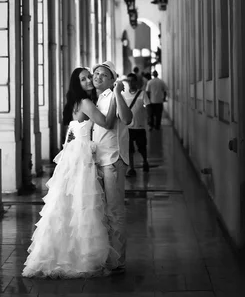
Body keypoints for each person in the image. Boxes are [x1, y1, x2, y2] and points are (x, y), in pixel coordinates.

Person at [22, 67, 120, 278]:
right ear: (77, 83)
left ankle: (65, 251)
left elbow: (72, 133)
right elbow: (108, 123)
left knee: (68, 204)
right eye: (83, 79)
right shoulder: (86, 102)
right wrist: (114, 100)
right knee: (83, 205)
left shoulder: (73, 103)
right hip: (83, 154)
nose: (88, 81)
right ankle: (83, 255)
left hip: (72, 153)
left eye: (88, 77)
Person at [92, 61, 133, 274]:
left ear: (112, 80)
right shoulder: (98, 99)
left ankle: (118, 260)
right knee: (103, 211)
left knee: (115, 211)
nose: (97, 76)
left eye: (103, 74)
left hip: (113, 161)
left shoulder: (115, 95)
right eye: (96, 73)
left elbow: (127, 118)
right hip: (100, 160)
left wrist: (117, 92)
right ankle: (108, 256)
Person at [124, 73, 150, 177]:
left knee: (142, 147)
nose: (130, 83)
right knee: (129, 149)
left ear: (135, 82)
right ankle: (131, 168)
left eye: (132, 81)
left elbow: (148, 105)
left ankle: (145, 161)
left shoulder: (142, 94)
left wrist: (149, 117)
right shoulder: (124, 94)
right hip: (128, 128)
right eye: (128, 81)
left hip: (139, 127)